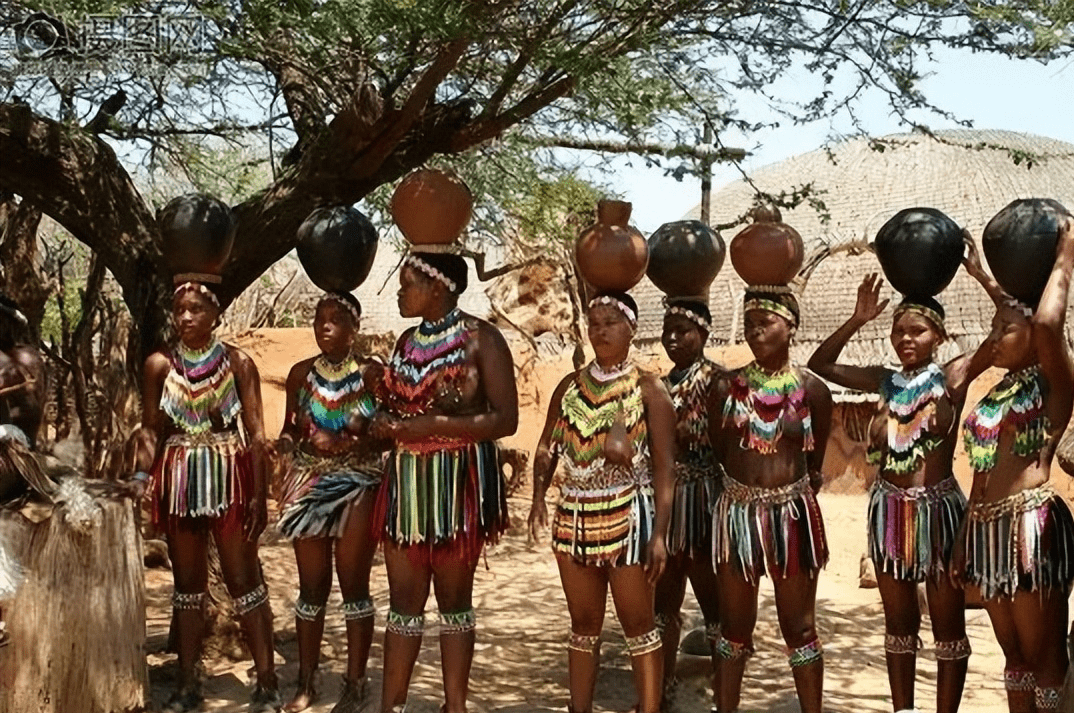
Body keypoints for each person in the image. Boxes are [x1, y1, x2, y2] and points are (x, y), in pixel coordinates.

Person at [807, 240, 1002, 713]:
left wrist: (982, 278)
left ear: (939, 335)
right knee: (898, 627)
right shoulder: (883, 380)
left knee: (948, 630)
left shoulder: (953, 377)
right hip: (889, 514)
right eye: (898, 331)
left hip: (939, 514)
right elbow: (820, 365)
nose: (906, 339)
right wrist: (857, 319)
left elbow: (1007, 331)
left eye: (917, 330)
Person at [369, 251, 517, 713]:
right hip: (408, 487)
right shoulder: (405, 343)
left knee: (454, 600)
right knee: (403, 601)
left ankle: (455, 706)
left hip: (458, 487)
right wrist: (385, 420)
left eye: (407, 283)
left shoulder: (482, 339)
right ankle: (391, 706)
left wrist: (434, 426)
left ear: (438, 287)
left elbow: (506, 419)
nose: (399, 292)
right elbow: (398, 408)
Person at [131, 279, 280, 713]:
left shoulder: (238, 363)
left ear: (215, 314)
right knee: (186, 587)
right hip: (179, 478)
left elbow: (256, 433)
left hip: (228, 474)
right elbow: (150, 430)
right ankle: (187, 684)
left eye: (195, 309)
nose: (185, 317)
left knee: (243, 580)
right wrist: (140, 474)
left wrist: (259, 496)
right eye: (179, 309)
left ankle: (267, 682)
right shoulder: (159, 365)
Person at [528, 290, 676, 713]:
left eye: (611, 323)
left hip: (628, 517)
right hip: (574, 516)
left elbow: (666, 468)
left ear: (632, 329)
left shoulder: (649, 390)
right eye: (594, 324)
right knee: (583, 625)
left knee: (639, 626)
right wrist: (539, 497)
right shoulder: (570, 387)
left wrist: (660, 535)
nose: (600, 331)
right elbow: (547, 447)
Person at [954, 215, 1074, 711]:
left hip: (1031, 531)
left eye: (1004, 330)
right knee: (1015, 662)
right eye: (992, 328)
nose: (993, 338)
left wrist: (1064, 259)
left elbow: (1042, 324)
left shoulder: (1054, 385)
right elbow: (981, 476)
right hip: (986, 532)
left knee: (1045, 661)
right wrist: (964, 539)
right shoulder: (999, 392)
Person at [708, 288, 832, 713]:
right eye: (749, 323)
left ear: (791, 326)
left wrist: (784, 496)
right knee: (733, 628)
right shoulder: (724, 387)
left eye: (766, 321)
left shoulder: (813, 390)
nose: (755, 330)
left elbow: (814, 461)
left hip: (792, 516)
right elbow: (720, 448)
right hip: (737, 515)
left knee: (799, 628)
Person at [276, 292, 385, 713]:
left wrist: (344, 441)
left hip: (358, 482)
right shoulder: (301, 374)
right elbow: (289, 429)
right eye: (319, 318)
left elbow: (388, 432)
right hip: (308, 481)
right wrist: (285, 447)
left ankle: (355, 685)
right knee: (311, 586)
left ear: (354, 328)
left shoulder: (372, 374)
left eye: (336, 319)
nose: (324, 326)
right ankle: (306, 682)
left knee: (353, 584)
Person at [654, 298, 723, 708]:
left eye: (682, 330)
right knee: (662, 603)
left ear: (704, 334)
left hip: (705, 504)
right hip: (666, 504)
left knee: (714, 603)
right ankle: (662, 688)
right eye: (667, 331)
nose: (672, 338)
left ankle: (723, 692)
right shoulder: (659, 387)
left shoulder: (719, 383)